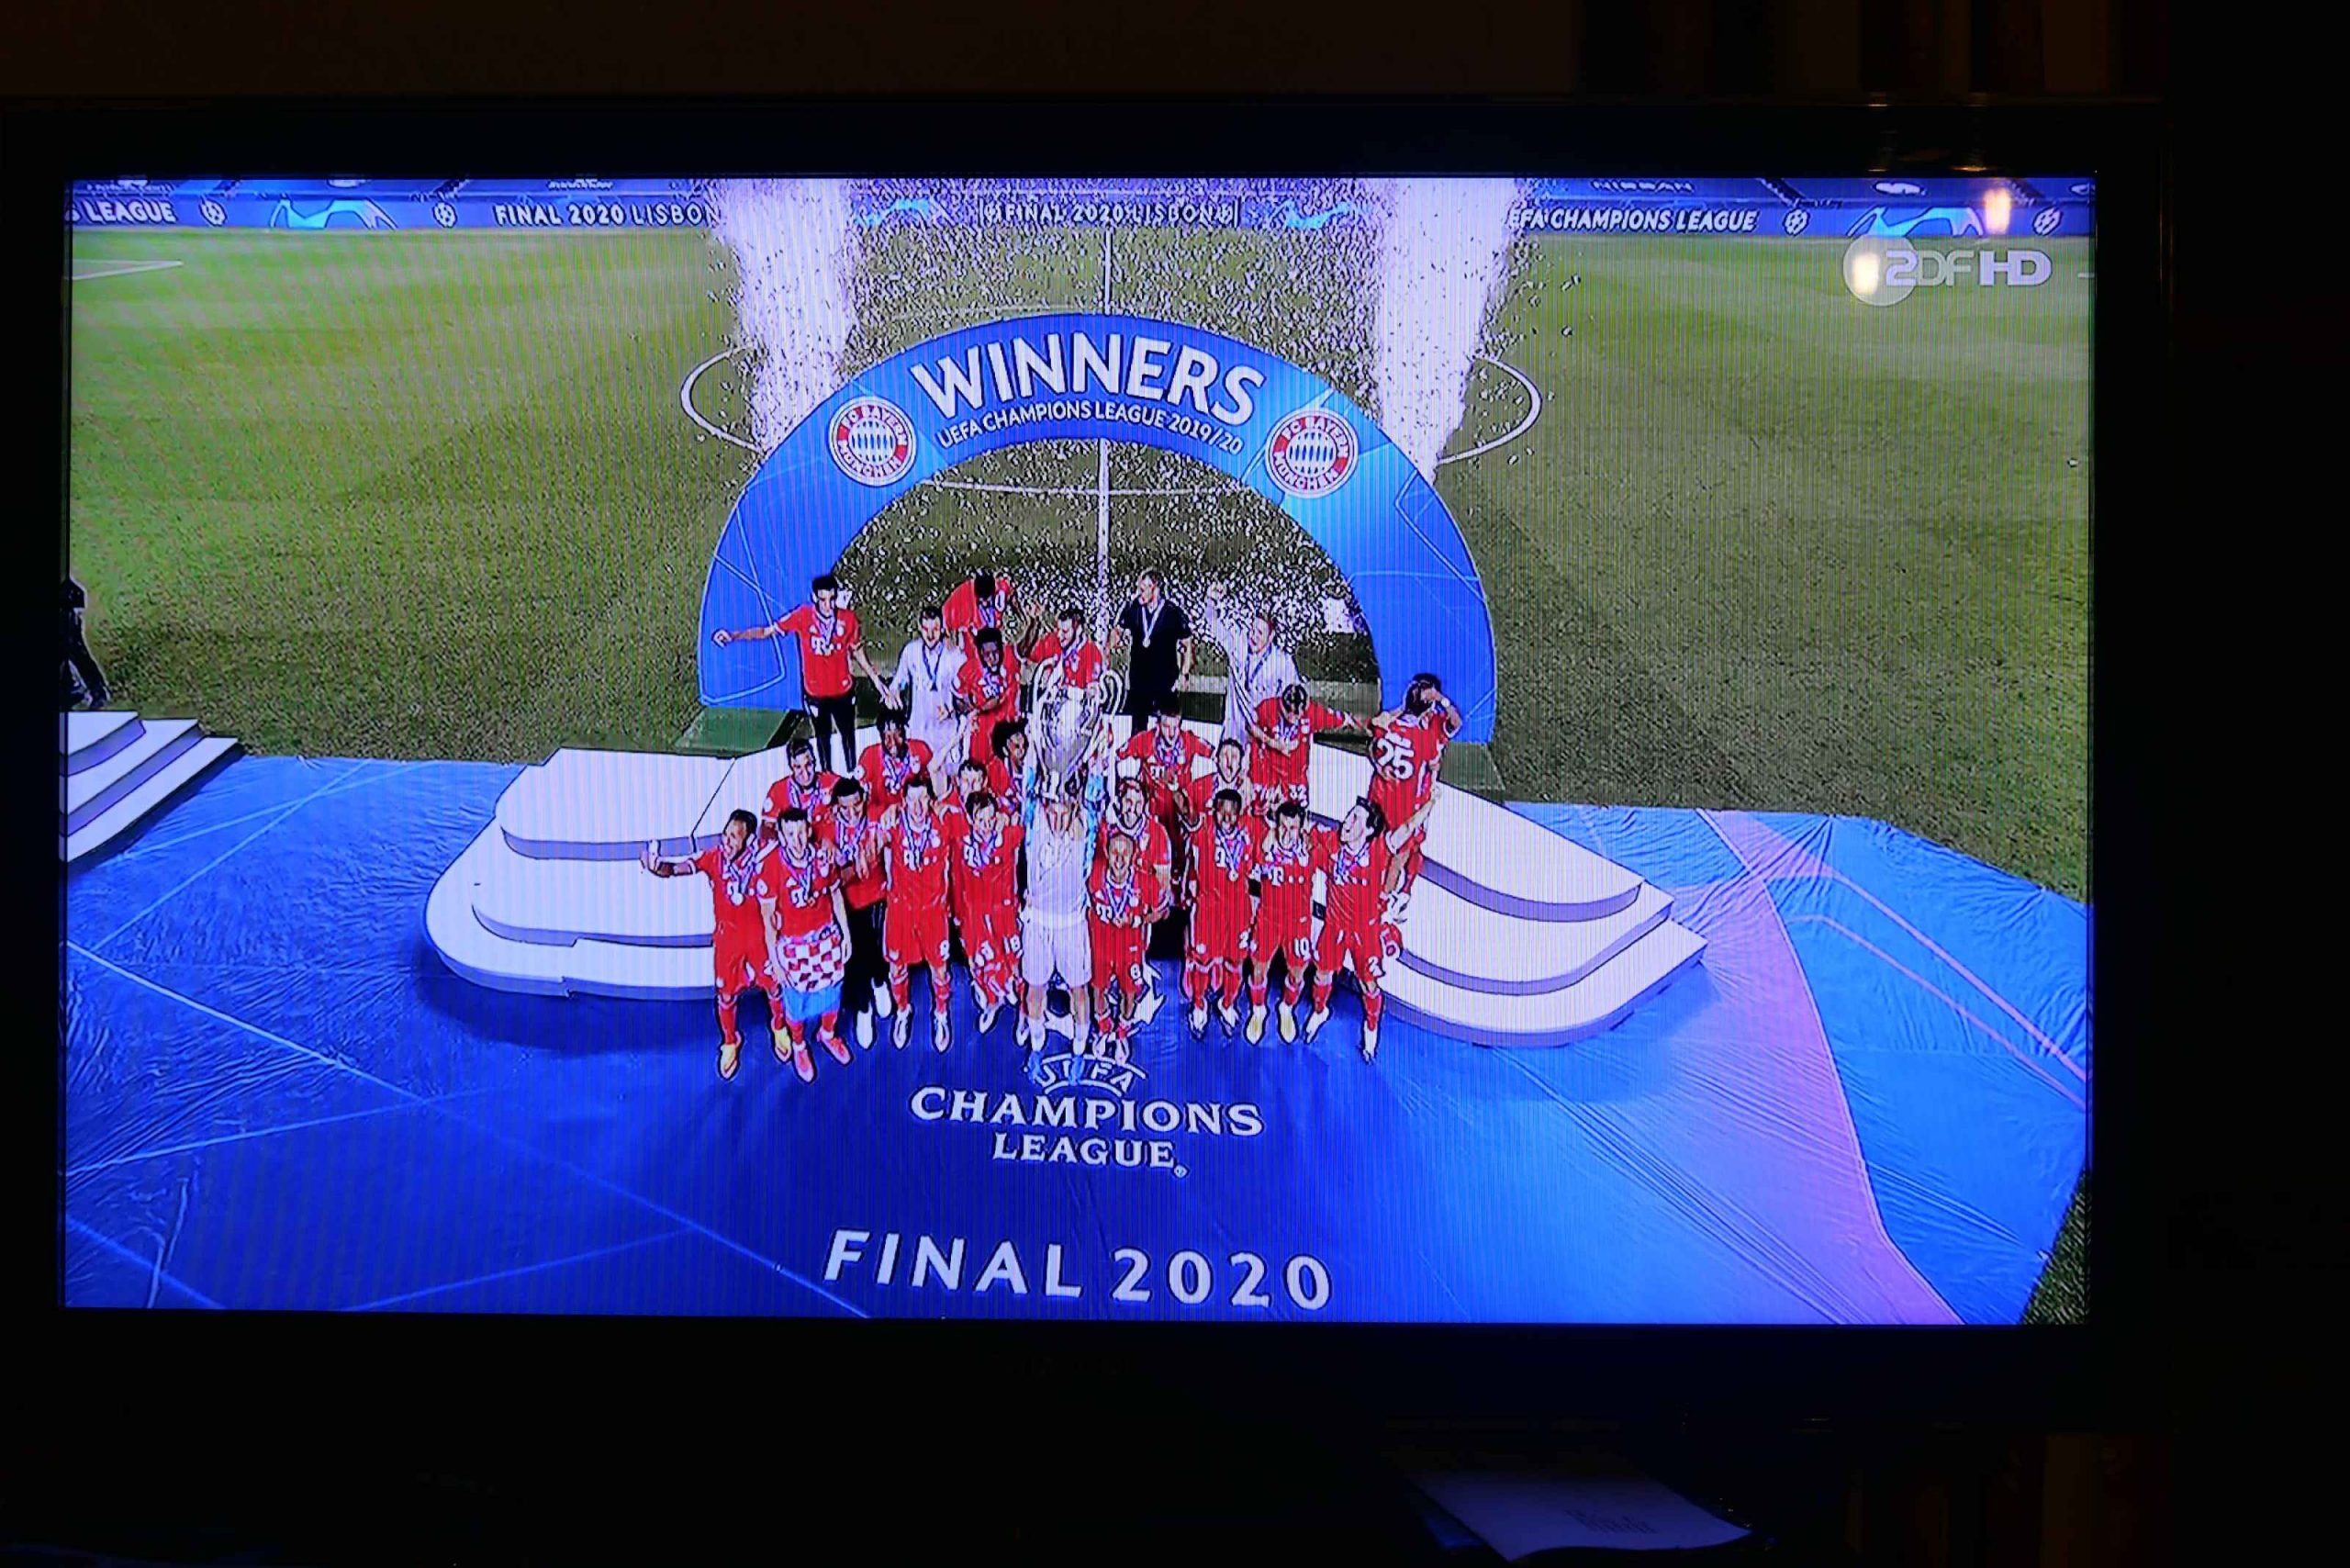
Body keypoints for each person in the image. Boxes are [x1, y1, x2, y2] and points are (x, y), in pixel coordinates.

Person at [640, 810, 781, 1082]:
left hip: (760, 940)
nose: (726, 841)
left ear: (749, 841)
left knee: (774, 987)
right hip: (728, 944)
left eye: (734, 837)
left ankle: (779, 1027)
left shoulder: (763, 859)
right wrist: (658, 867)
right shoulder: (713, 858)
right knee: (726, 996)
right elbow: (676, 869)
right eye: (725, 834)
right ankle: (730, 1040)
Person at [712, 574, 887, 777]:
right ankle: (827, 778)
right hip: (816, 694)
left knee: (848, 735)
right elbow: (766, 632)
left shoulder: (848, 619)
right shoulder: (802, 616)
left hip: (843, 691)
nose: (828, 606)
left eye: (832, 599)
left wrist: (877, 682)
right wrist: (734, 636)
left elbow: (857, 651)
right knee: (822, 739)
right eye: (823, 600)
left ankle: (853, 774)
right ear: (814, 598)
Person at [1305, 796, 1431, 1062]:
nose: (1347, 822)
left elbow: (1406, 829)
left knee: (1368, 983)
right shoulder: (1331, 842)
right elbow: (1305, 833)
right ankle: (1319, 1010)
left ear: (1369, 830)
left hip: (1365, 932)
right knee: (1322, 972)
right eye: (1348, 815)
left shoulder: (1377, 852)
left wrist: (1430, 803)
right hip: (1335, 926)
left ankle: (1371, 1027)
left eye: (1355, 819)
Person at [761, 807, 856, 1081]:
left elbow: (835, 895)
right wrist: (775, 961)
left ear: (809, 830)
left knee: (832, 994)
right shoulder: (771, 866)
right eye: (790, 834)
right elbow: (768, 919)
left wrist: (846, 934)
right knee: (796, 1003)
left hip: (825, 940)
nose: (797, 840)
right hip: (794, 946)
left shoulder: (821, 859)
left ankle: (828, 1033)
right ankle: (799, 1044)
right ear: (781, 836)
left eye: (801, 832)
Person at [1367, 673, 1463, 914]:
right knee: (1395, 847)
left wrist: (1441, 700)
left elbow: (1456, 723)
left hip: (1419, 795)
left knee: (1410, 846)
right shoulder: (1416, 731)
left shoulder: (1436, 723)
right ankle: (1383, 896)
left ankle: (1403, 892)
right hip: (1405, 796)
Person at [1017, 779, 1100, 1059]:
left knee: (1079, 989)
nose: (1057, 820)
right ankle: (1036, 1038)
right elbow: (1030, 779)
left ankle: (1080, 1040)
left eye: (1064, 814)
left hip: (1071, 925)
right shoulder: (1034, 821)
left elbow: (1089, 793)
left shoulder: (1083, 826)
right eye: (1052, 813)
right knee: (1035, 989)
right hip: (1038, 924)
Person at [878, 774, 954, 1052]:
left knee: (939, 968)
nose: (918, 806)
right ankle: (902, 1010)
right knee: (896, 967)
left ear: (930, 800)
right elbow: (874, 836)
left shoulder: (944, 822)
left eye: (923, 799)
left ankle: (941, 1013)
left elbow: (971, 815)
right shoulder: (893, 823)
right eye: (912, 800)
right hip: (901, 911)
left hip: (933, 911)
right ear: (903, 802)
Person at [947, 790, 1024, 1037]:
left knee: (1015, 962)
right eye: (981, 820)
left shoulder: (1008, 835)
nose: (987, 825)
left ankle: (1025, 1012)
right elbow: (957, 877)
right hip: (976, 915)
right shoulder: (963, 843)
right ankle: (992, 1002)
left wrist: (1012, 817)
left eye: (991, 818)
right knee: (981, 963)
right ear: (971, 819)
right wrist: (958, 913)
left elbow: (1025, 824)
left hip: (1005, 912)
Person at [822, 776, 891, 1047]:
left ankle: (879, 981)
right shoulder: (828, 828)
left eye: (856, 805)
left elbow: (895, 814)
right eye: (845, 808)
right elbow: (834, 878)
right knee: (857, 949)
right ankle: (864, 1007)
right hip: (847, 901)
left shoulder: (875, 814)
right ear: (836, 808)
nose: (852, 813)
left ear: (864, 800)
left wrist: (879, 842)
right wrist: (853, 866)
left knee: (874, 941)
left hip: (878, 895)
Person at [1183, 787, 1258, 1037]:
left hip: (1238, 909)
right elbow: (1188, 814)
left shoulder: (1250, 832)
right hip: (1208, 908)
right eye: (1221, 810)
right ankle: (1199, 1005)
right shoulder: (1203, 830)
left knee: (1235, 961)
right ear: (1213, 811)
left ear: (1240, 814)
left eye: (1232, 812)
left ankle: (1227, 1004)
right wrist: (1175, 791)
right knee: (1202, 960)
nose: (1226, 817)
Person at [1246, 801, 1319, 1043]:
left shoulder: (1311, 851)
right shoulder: (1265, 847)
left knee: (1297, 973)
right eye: (1283, 827)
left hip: (1298, 922)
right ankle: (1258, 1010)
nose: (1287, 834)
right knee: (1258, 969)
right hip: (1269, 918)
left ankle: (1286, 1008)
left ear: (1302, 829)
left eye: (1293, 828)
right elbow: (1255, 856)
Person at [1200, 581, 1298, 746]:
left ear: (1271, 636)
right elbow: (1213, 625)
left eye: (1260, 633)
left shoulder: (1283, 662)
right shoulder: (1238, 644)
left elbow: (1294, 700)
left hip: (1263, 736)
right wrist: (1210, 600)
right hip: (1234, 733)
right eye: (1252, 630)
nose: (1253, 637)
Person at [1248, 680, 1362, 816]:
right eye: (1288, 712)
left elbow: (1344, 719)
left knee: (1297, 817)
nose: (1292, 717)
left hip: (1295, 776)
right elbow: (1250, 725)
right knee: (1259, 812)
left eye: (1297, 714)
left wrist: (1362, 724)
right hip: (1268, 771)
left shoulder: (1313, 713)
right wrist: (1273, 743)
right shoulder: (1269, 707)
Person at [1089, 829, 1154, 1061]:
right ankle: (1104, 1028)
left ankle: (1122, 1032)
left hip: (1130, 949)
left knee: (1129, 993)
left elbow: (1163, 910)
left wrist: (1138, 920)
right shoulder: (1093, 874)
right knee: (1098, 989)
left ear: (1133, 855)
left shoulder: (1144, 881)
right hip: (1101, 946)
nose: (1119, 858)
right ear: (1106, 852)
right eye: (1115, 851)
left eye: (1125, 853)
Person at [1107, 570, 1193, 742]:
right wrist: (1108, 648)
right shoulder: (1133, 608)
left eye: (1143, 589)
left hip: (1165, 680)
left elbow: (1187, 644)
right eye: (1139, 589)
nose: (1139, 593)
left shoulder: (1172, 612)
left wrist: (1184, 674)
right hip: (1139, 680)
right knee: (1138, 729)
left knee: (1167, 725)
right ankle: (1137, 757)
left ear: (1155, 589)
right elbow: (1117, 631)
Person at [888, 605, 965, 778]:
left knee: (947, 779)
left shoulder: (954, 656)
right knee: (918, 778)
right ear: (919, 627)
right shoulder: (911, 651)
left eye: (935, 629)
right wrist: (894, 692)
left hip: (946, 731)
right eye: (925, 629)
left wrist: (952, 709)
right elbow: (898, 681)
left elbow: (966, 698)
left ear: (943, 628)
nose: (930, 635)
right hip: (918, 729)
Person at [1121, 700, 1212, 836]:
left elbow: (1217, 755)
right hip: (1152, 813)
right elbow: (1117, 757)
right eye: (1166, 726)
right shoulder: (1144, 740)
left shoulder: (1188, 740)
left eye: (1175, 727)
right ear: (1158, 724)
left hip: (1179, 813)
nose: (1171, 733)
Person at [952, 628, 1022, 767]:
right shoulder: (968, 670)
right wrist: (976, 708)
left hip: (1007, 737)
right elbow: (957, 700)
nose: (992, 658)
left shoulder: (1009, 659)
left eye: (996, 652)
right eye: (987, 654)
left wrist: (1033, 623)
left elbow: (1024, 649)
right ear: (980, 653)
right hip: (981, 739)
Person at [761, 739, 841, 841]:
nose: (805, 774)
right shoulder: (778, 791)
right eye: (798, 767)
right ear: (791, 767)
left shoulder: (832, 783)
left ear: (815, 762)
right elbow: (766, 829)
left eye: (808, 765)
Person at [856, 713, 934, 817]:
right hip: (883, 819)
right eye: (887, 736)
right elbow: (861, 804)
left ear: (904, 732)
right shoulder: (870, 757)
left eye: (898, 734)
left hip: (916, 816)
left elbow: (933, 791)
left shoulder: (920, 750)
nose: (893, 742)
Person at [1024, 603, 1107, 697]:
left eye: (1065, 632)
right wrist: (1032, 625)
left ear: (1078, 630)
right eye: (1058, 629)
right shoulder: (1052, 640)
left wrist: (1067, 691)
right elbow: (1027, 659)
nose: (1059, 636)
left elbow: (1092, 693)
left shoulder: (1091, 653)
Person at [62, 576, 110, 711]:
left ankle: (96, 691)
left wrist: (75, 611)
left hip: (67, 619)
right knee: (75, 655)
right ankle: (73, 689)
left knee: (77, 654)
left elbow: (78, 593)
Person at [942, 567, 1018, 653]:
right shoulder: (964, 606)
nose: (985, 603)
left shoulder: (1002, 590)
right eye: (982, 600)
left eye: (986, 600)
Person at [985, 718, 1034, 831]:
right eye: (1017, 746)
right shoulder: (995, 770)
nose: (1022, 750)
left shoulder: (1029, 772)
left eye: (1024, 746)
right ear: (1006, 747)